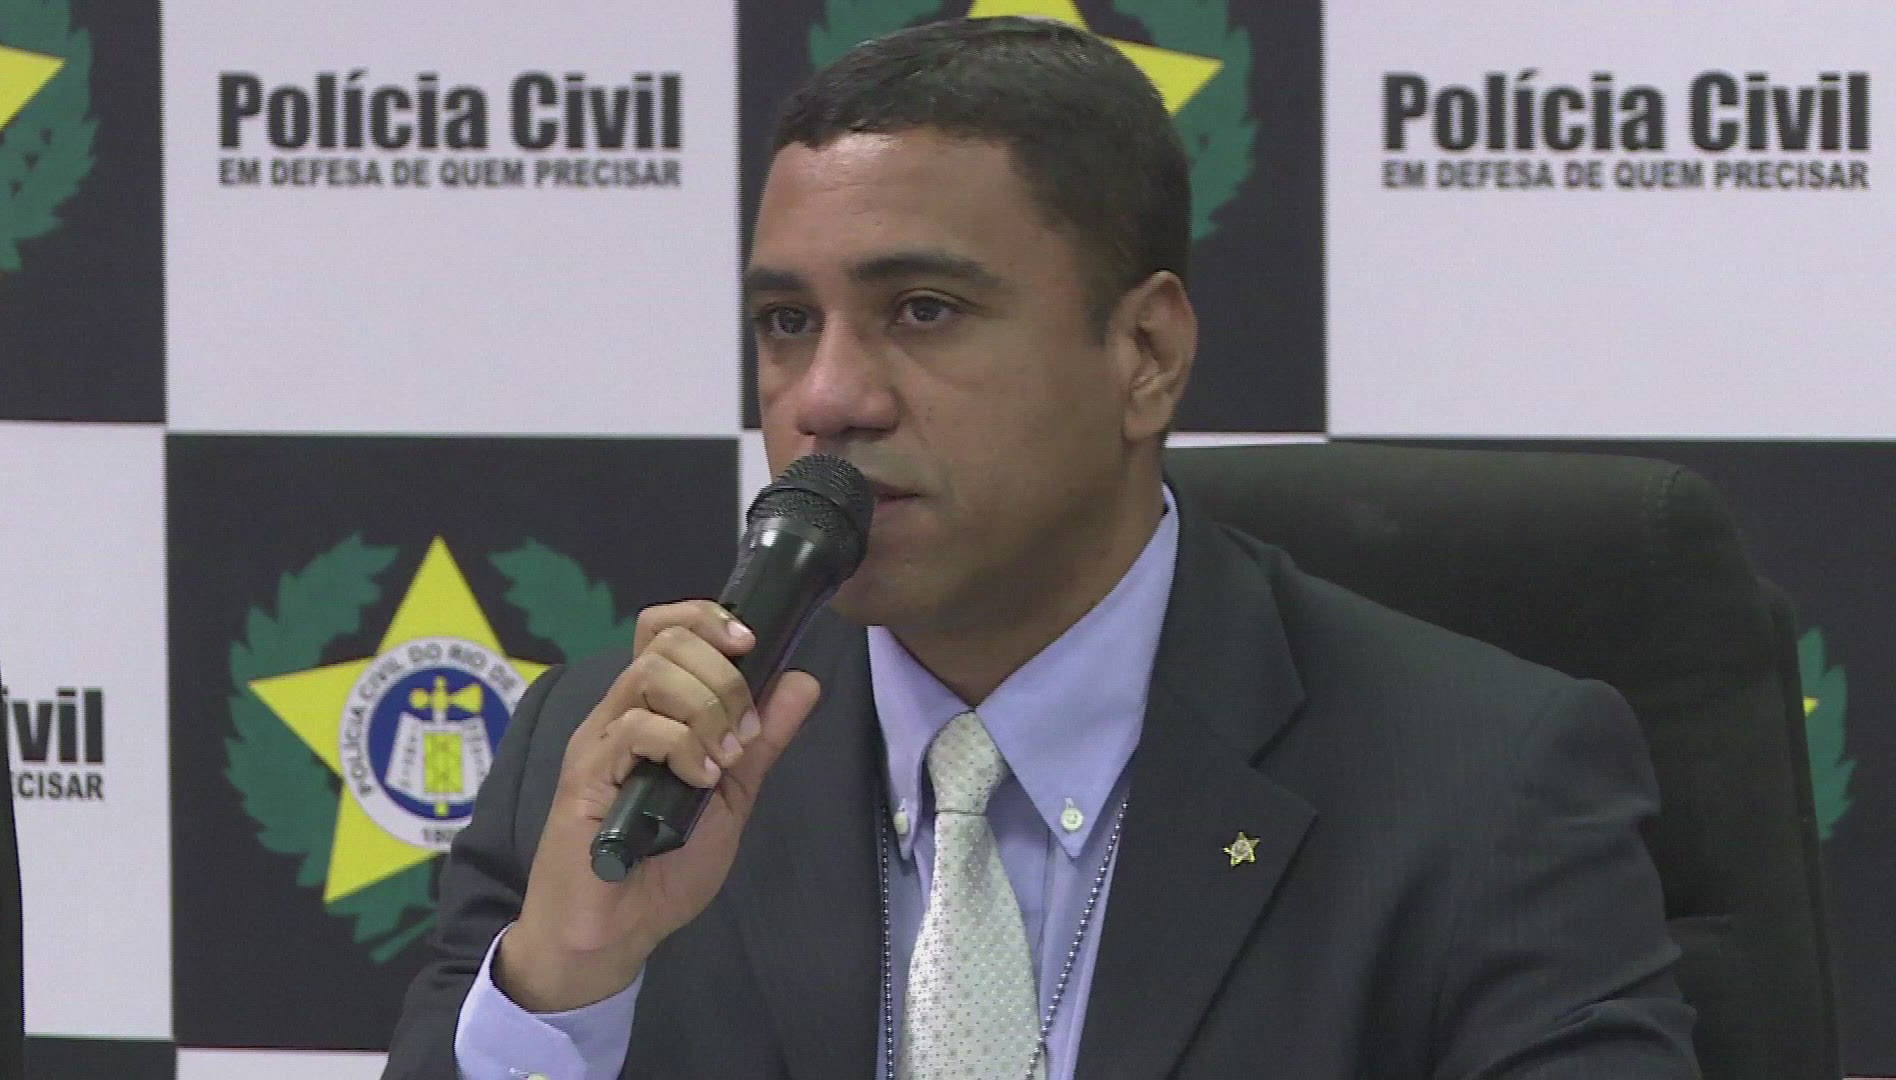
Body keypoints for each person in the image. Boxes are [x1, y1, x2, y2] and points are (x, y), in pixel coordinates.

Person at [383, 17, 1699, 1079]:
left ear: (1147, 354)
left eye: (923, 309)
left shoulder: (1481, 787)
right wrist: (568, 982)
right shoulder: (608, 774)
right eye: (786, 323)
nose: (826, 398)